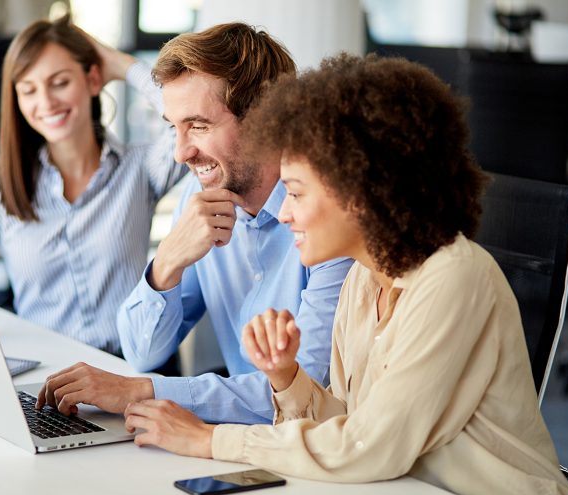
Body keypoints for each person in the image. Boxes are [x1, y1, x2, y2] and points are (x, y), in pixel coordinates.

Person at [121, 54, 568, 495]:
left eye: (298, 193)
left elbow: (371, 447)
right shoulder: (364, 281)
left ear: (363, 192)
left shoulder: (455, 278)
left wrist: (209, 440)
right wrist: (288, 379)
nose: (284, 212)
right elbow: (351, 422)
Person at [35, 23, 352, 424]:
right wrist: (165, 265)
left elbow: (306, 390)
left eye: (198, 126)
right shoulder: (200, 196)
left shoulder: (329, 214)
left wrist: (139, 392)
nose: (181, 152)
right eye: (174, 128)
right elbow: (142, 352)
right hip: (249, 442)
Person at [0, 15, 186, 356]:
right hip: (46, 382)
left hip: (127, 370)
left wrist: (123, 65)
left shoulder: (139, 169)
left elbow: (188, 122)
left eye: (60, 82)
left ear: (92, 80)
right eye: (29, 90)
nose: (46, 102)